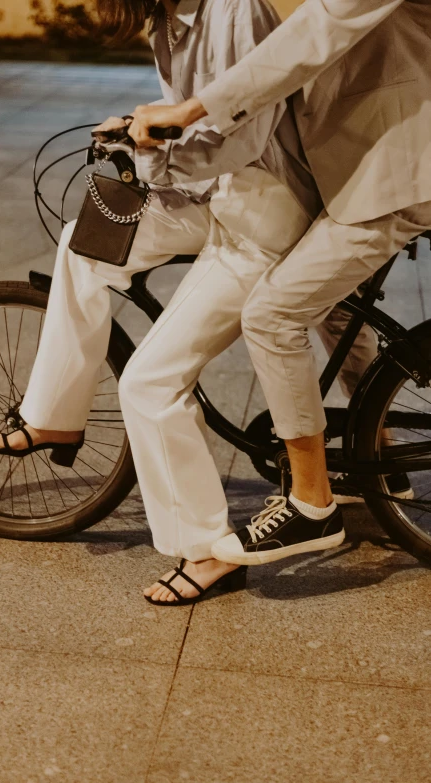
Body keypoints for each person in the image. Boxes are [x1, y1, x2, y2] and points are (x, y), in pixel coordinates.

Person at [0, 0, 375, 602]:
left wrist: (152, 156)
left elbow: (243, 137)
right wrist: (140, 128)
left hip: (264, 212)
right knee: (86, 240)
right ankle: (53, 418)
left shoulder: (235, 10)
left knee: (149, 383)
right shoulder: (168, 18)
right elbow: (192, 123)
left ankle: (208, 551)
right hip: (215, 193)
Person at [129, 0, 431, 567]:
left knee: (272, 314)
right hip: (360, 165)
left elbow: (318, 31)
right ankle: (382, 465)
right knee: (332, 305)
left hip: (401, 168)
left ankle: (312, 505)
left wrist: (195, 109)